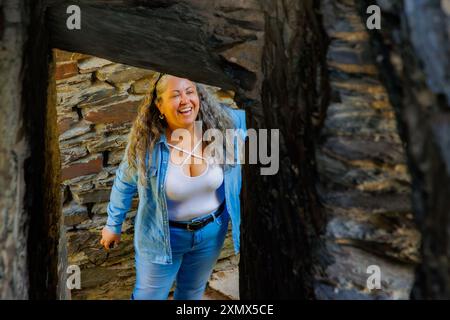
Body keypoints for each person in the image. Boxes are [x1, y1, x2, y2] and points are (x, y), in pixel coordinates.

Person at [99, 73, 246, 300]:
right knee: (149, 297)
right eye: (176, 95)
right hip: (162, 236)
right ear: (160, 105)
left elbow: (262, 116)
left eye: (190, 92)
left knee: (192, 293)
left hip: (211, 231)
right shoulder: (146, 143)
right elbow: (124, 182)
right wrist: (113, 225)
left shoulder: (223, 124)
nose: (185, 100)